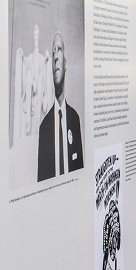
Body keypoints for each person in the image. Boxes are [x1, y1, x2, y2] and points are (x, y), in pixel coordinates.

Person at [37, 32, 84, 180]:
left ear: (65, 64)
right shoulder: (44, 128)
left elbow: (80, 170)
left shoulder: (74, 119)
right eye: (53, 53)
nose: (56, 56)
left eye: (59, 49)